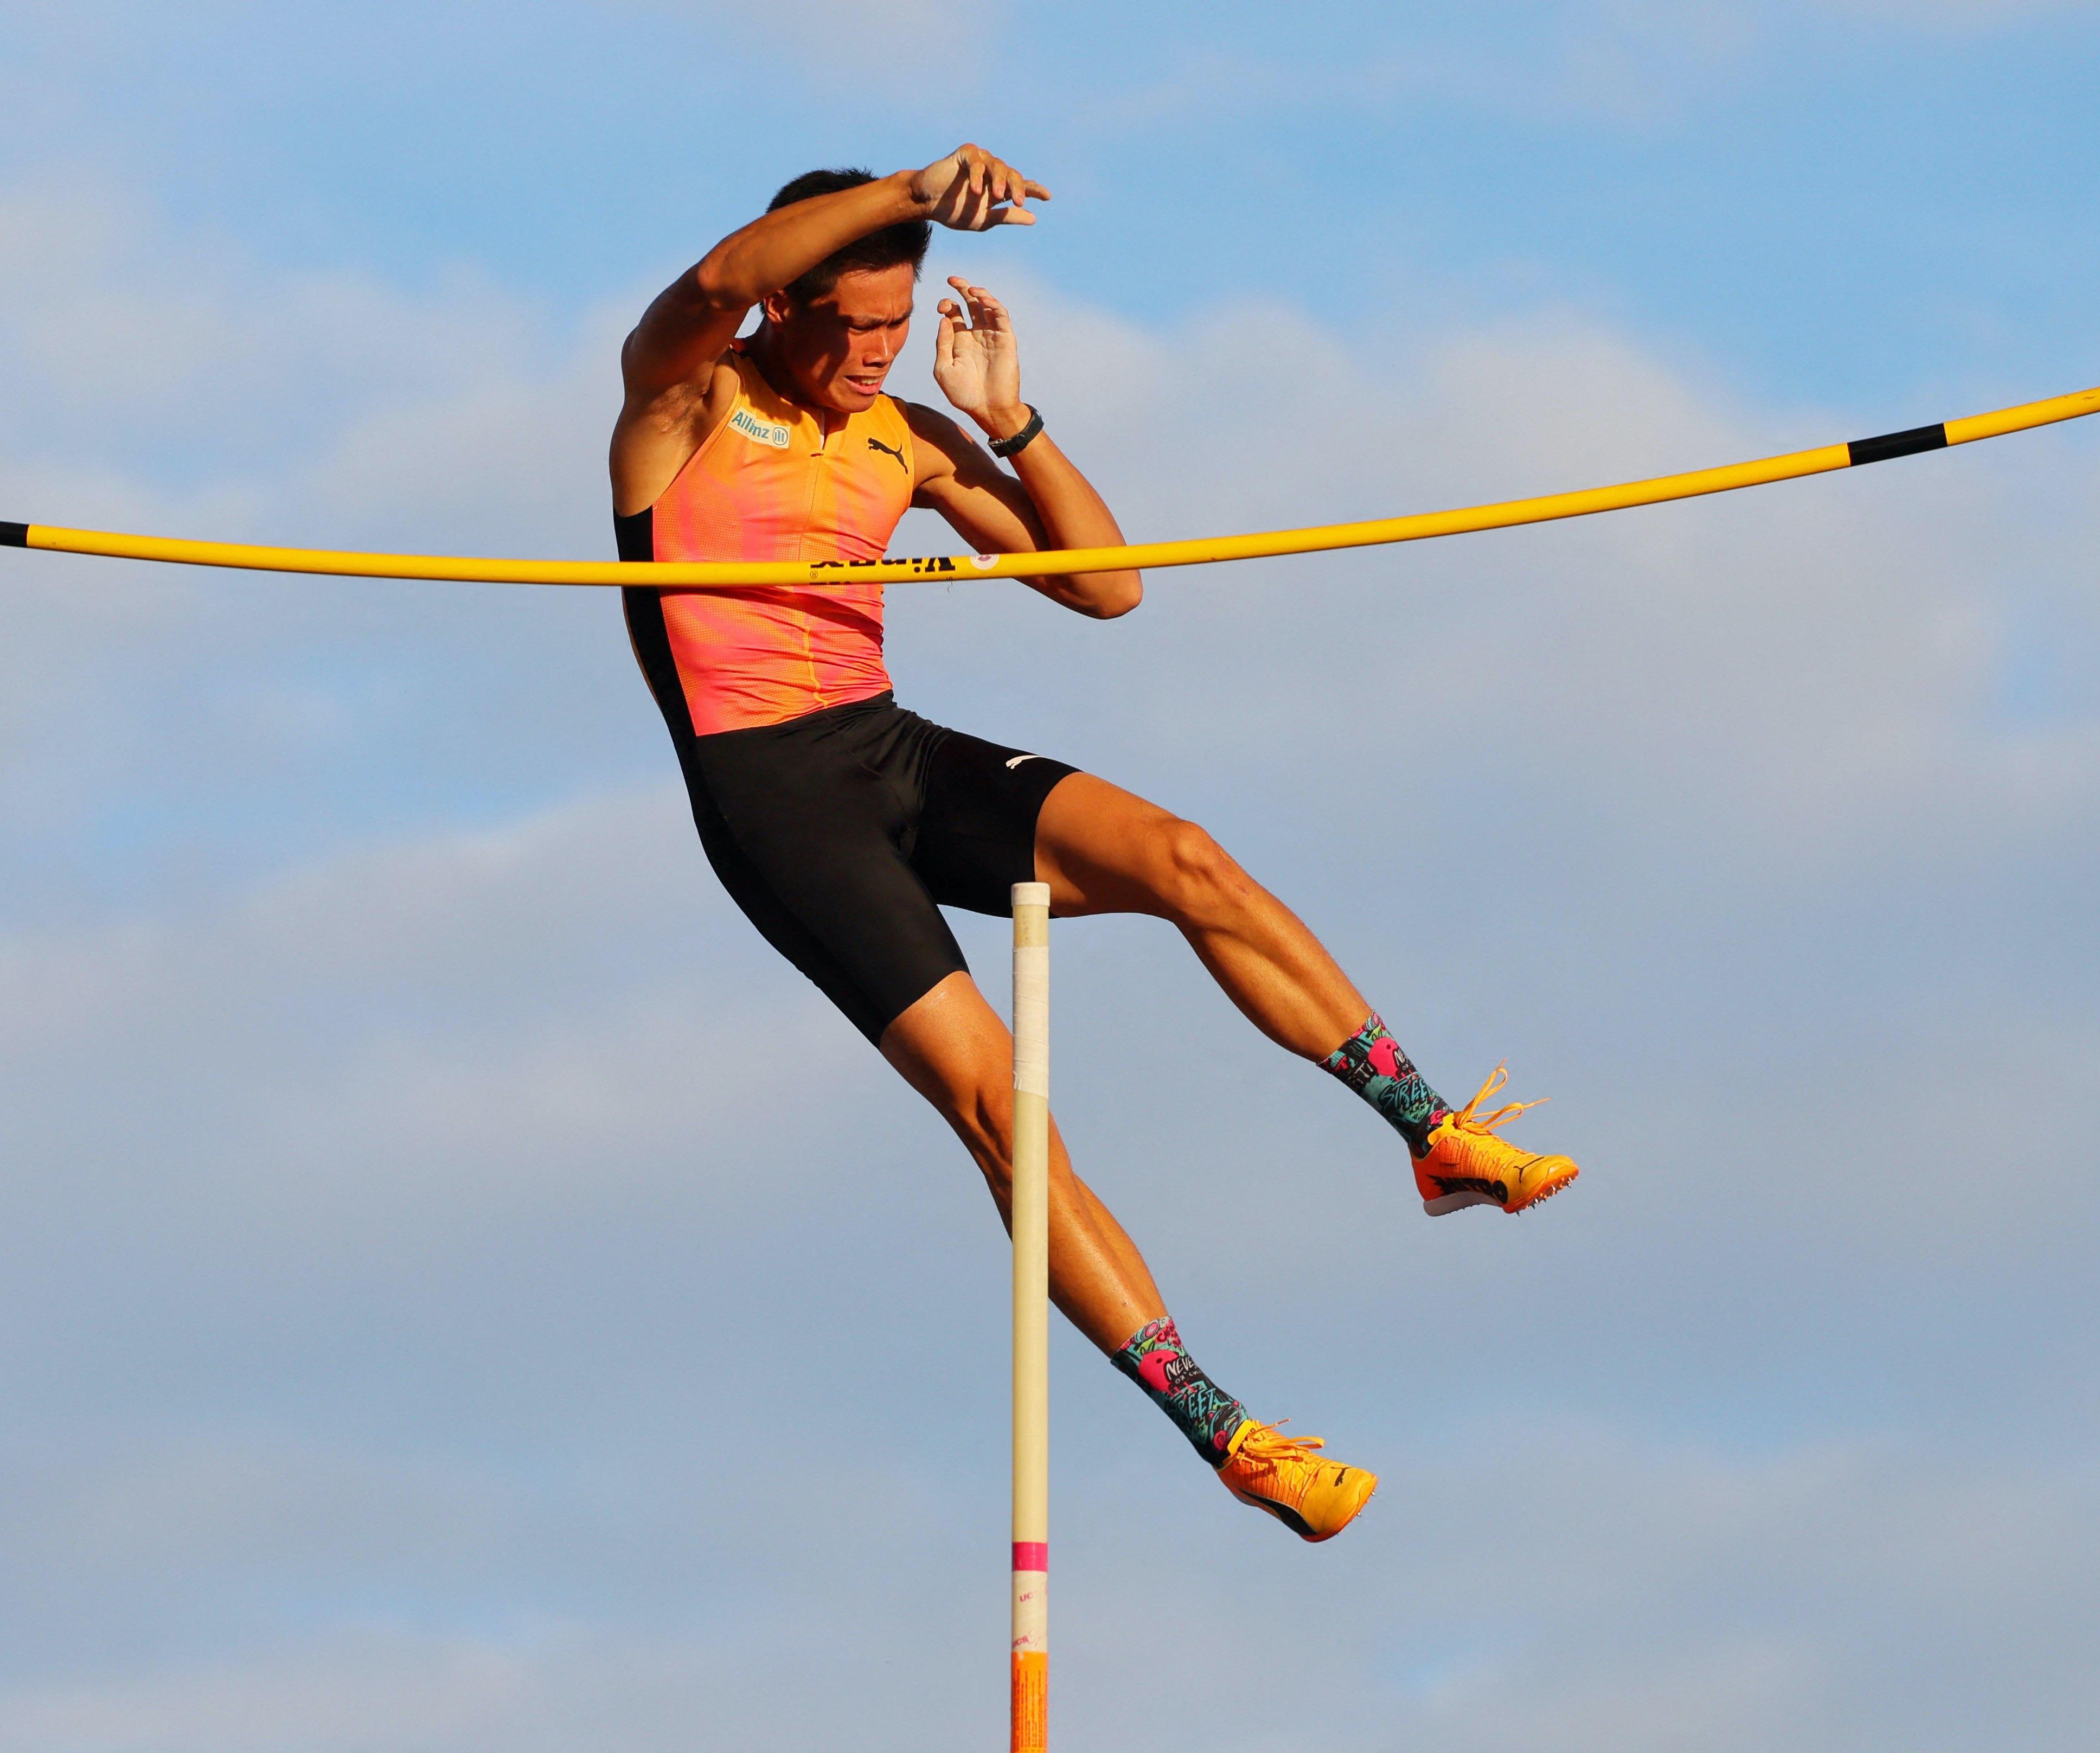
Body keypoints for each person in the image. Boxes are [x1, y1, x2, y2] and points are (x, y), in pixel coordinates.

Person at [610, 145, 1578, 1543]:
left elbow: (1109, 589)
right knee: (1006, 1111)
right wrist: (904, 192)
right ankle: (1229, 1434)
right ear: (782, 310)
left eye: (897, 326)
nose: (879, 355)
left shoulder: (907, 439)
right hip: (771, 797)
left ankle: (1429, 1134)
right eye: (850, 327)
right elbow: (710, 280)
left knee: (1186, 858)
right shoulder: (685, 401)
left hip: (888, 745)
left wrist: (1013, 423)